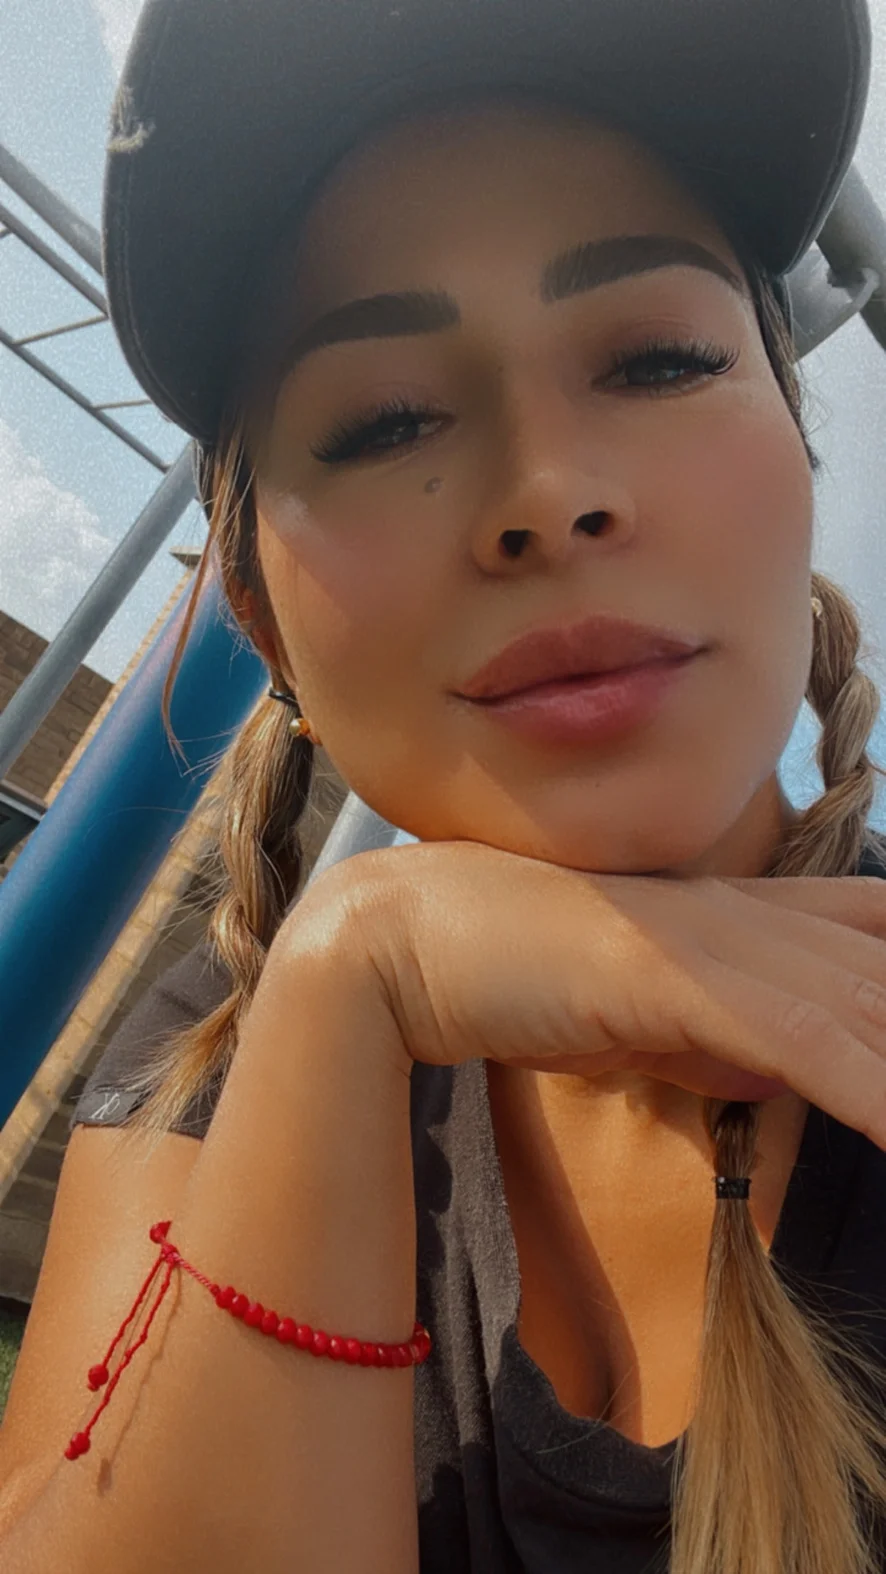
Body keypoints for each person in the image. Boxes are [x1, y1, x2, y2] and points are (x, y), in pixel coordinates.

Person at [2, 0, 886, 1569]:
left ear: (799, 455)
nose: (547, 492)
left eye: (659, 358)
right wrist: (355, 979)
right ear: (260, 608)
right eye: (385, 419)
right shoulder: (225, 1050)